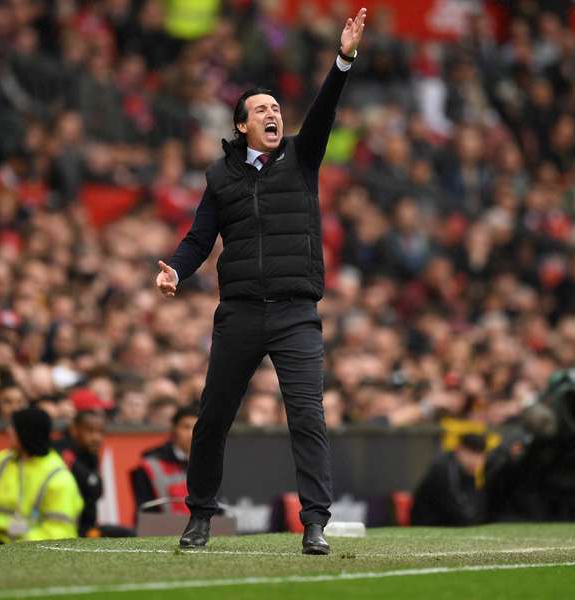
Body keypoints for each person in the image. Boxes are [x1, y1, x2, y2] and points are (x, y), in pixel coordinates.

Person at [155, 8, 368, 555]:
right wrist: (176, 268)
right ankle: (200, 516)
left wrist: (342, 59)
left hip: (296, 311)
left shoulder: (302, 156)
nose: (274, 114)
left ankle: (315, 521)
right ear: (242, 126)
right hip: (242, 312)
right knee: (212, 418)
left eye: (276, 107)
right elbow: (201, 237)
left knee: (307, 417)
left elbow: (325, 108)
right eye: (262, 110)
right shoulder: (220, 176)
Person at [0, 407, 83, 543]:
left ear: (25, 433)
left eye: (13, 427)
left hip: (32, 550)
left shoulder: (58, 478)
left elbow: (58, 531)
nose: (8, 431)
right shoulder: (2, 460)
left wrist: (19, 546)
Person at [55, 410, 134, 537]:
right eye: (90, 431)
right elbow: (92, 487)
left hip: (89, 527)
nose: (97, 438)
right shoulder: (61, 452)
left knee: (128, 533)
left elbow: (97, 492)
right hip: (68, 528)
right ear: (74, 430)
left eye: (101, 432)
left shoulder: (91, 454)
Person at [130, 404, 198, 516]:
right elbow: (145, 509)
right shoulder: (150, 464)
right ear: (174, 429)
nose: (191, 434)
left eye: (197, 428)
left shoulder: (210, 464)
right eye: (186, 427)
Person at [410, 433, 487, 527]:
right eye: (472, 453)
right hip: (430, 523)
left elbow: (471, 501)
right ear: (459, 449)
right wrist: (474, 520)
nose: (475, 459)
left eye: (479, 455)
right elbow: (453, 505)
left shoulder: (467, 470)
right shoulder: (445, 467)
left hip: (446, 522)